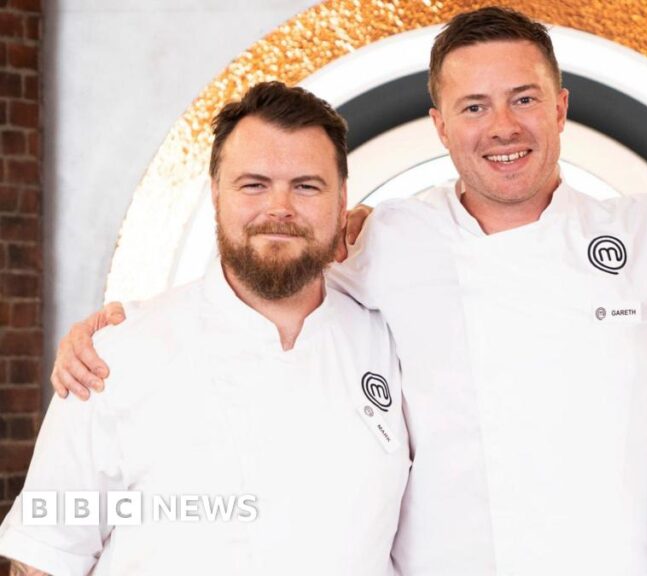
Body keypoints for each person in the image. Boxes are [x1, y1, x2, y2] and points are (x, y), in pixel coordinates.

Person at [49, 7, 647, 575]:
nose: (503, 127)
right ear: (439, 124)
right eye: (474, 105)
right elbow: (267, 264)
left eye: (525, 99)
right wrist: (120, 331)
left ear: (561, 107)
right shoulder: (383, 240)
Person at [0, 83, 409, 575]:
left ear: (342, 201)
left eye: (306, 186)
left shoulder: (393, 341)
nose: (279, 207)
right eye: (253, 184)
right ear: (216, 195)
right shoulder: (113, 359)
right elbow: (45, 555)